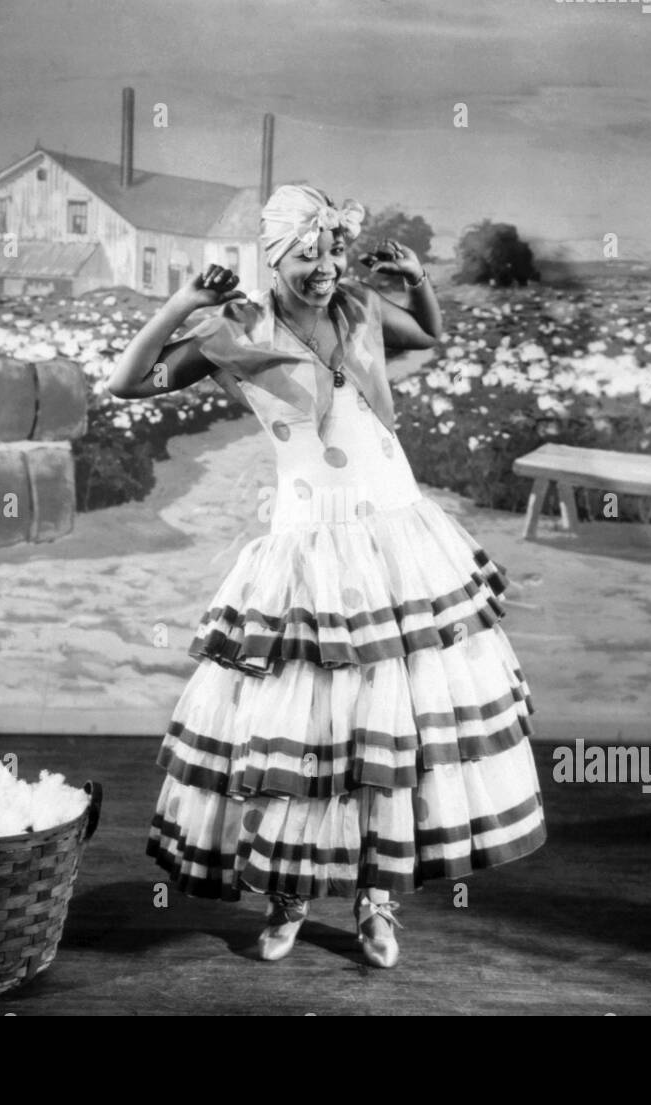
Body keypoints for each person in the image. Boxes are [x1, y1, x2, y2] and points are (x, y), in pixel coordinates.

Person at [108, 184, 546, 968]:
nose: (325, 267)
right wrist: (178, 304)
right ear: (273, 255)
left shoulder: (357, 307)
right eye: (308, 255)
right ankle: (289, 897)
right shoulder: (231, 330)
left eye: (333, 251)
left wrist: (415, 282)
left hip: (398, 534)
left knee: (392, 727)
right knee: (303, 727)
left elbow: (427, 339)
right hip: (309, 541)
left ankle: (378, 903)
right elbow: (126, 383)